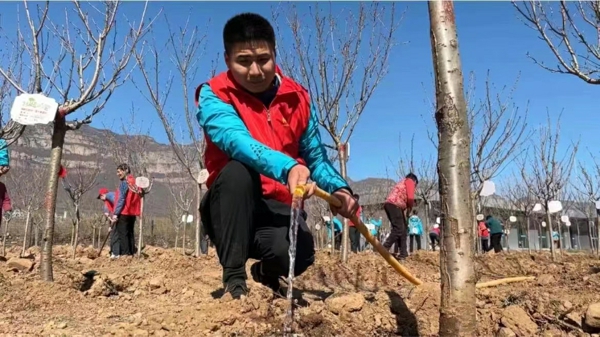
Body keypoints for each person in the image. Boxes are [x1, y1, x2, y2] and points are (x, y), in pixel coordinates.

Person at [195, 13, 357, 299]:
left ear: (274, 53)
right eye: (243, 61)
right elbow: (236, 142)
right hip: (229, 207)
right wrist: (288, 166)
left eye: (263, 59)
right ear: (226, 59)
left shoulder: (298, 98)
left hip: (278, 208)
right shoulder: (214, 94)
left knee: (300, 251)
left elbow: (316, 157)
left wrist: (339, 188)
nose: (255, 71)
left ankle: (266, 273)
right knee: (237, 171)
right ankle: (234, 282)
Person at [382, 173, 418, 260]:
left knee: (403, 229)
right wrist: (410, 206)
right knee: (398, 229)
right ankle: (384, 248)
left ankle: (403, 253)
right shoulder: (410, 181)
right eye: (416, 185)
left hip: (394, 205)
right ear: (414, 180)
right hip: (394, 205)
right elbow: (410, 198)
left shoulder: (402, 182)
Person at [110, 164, 142, 258]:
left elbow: (121, 199)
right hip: (133, 213)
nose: (117, 174)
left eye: (119, 171)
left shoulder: (125, 183)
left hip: (124, 212)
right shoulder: (136, 182)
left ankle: (126, 254)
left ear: (126, 170)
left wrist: (116, 213)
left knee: (123, 234)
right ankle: (132, 252)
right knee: (130, 233)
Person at [98, 188, 116, 255]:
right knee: (113, 235)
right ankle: (113, 251)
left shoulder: (107, 202)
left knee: (113, 235)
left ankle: (113, 252)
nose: (100, 199)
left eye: (100, 196)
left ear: (103, 195)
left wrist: (111, 222)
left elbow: (107, 213)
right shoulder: (111, 199)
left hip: (113, 219)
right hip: (113, 219)